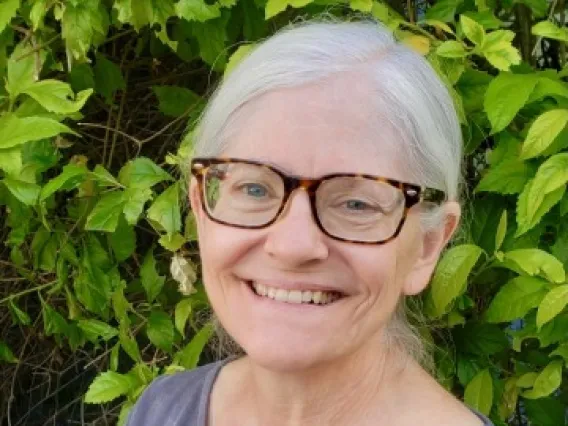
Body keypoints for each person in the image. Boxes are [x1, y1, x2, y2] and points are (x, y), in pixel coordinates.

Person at [126, 20, 494, 426]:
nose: (292, 245)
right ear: (201, 212)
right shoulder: (160, 410)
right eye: (255, 190)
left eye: (356, 203)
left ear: (427, 246)